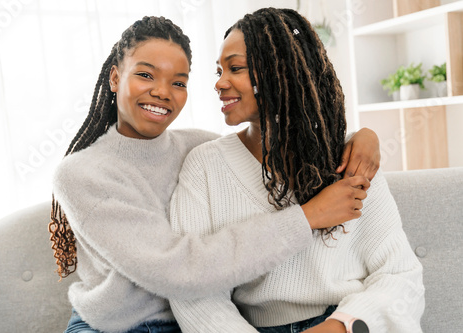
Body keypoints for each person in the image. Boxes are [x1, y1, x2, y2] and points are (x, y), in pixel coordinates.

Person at [50, 16, 381, 333]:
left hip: (193, 323)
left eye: (178, 82)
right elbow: (174, 269)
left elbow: (270, 145)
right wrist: (306, 218)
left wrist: (360, 139)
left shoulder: (197, 148)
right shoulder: (80, 173)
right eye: (146, 75)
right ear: (114, 77)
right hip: (114, 328)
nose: (163, 92)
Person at [169, 8, 424, 333]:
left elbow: (399, 274)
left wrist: (340, 327)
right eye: (219, 70)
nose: (220, 83)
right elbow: (194, 288)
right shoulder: (205, 166)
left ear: (280, 72)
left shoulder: (352, 159)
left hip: (350, 323)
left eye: (235, 68)